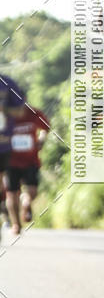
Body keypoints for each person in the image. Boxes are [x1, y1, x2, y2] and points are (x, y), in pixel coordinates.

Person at [5, 105, 50, 231]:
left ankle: (25, 201)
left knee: (33, 191)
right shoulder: (5, 115)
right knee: (11, 194)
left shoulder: (34, 113)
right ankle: (16, 224)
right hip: (10, 162)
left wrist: (41, 140)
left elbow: (45, 128)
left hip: (31, 161)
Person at [0, 74, 26, 235]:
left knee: (4, 182)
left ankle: (6, 213)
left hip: (3, 145)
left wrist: (4, 109)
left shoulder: (8, 83)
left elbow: (20, 111)